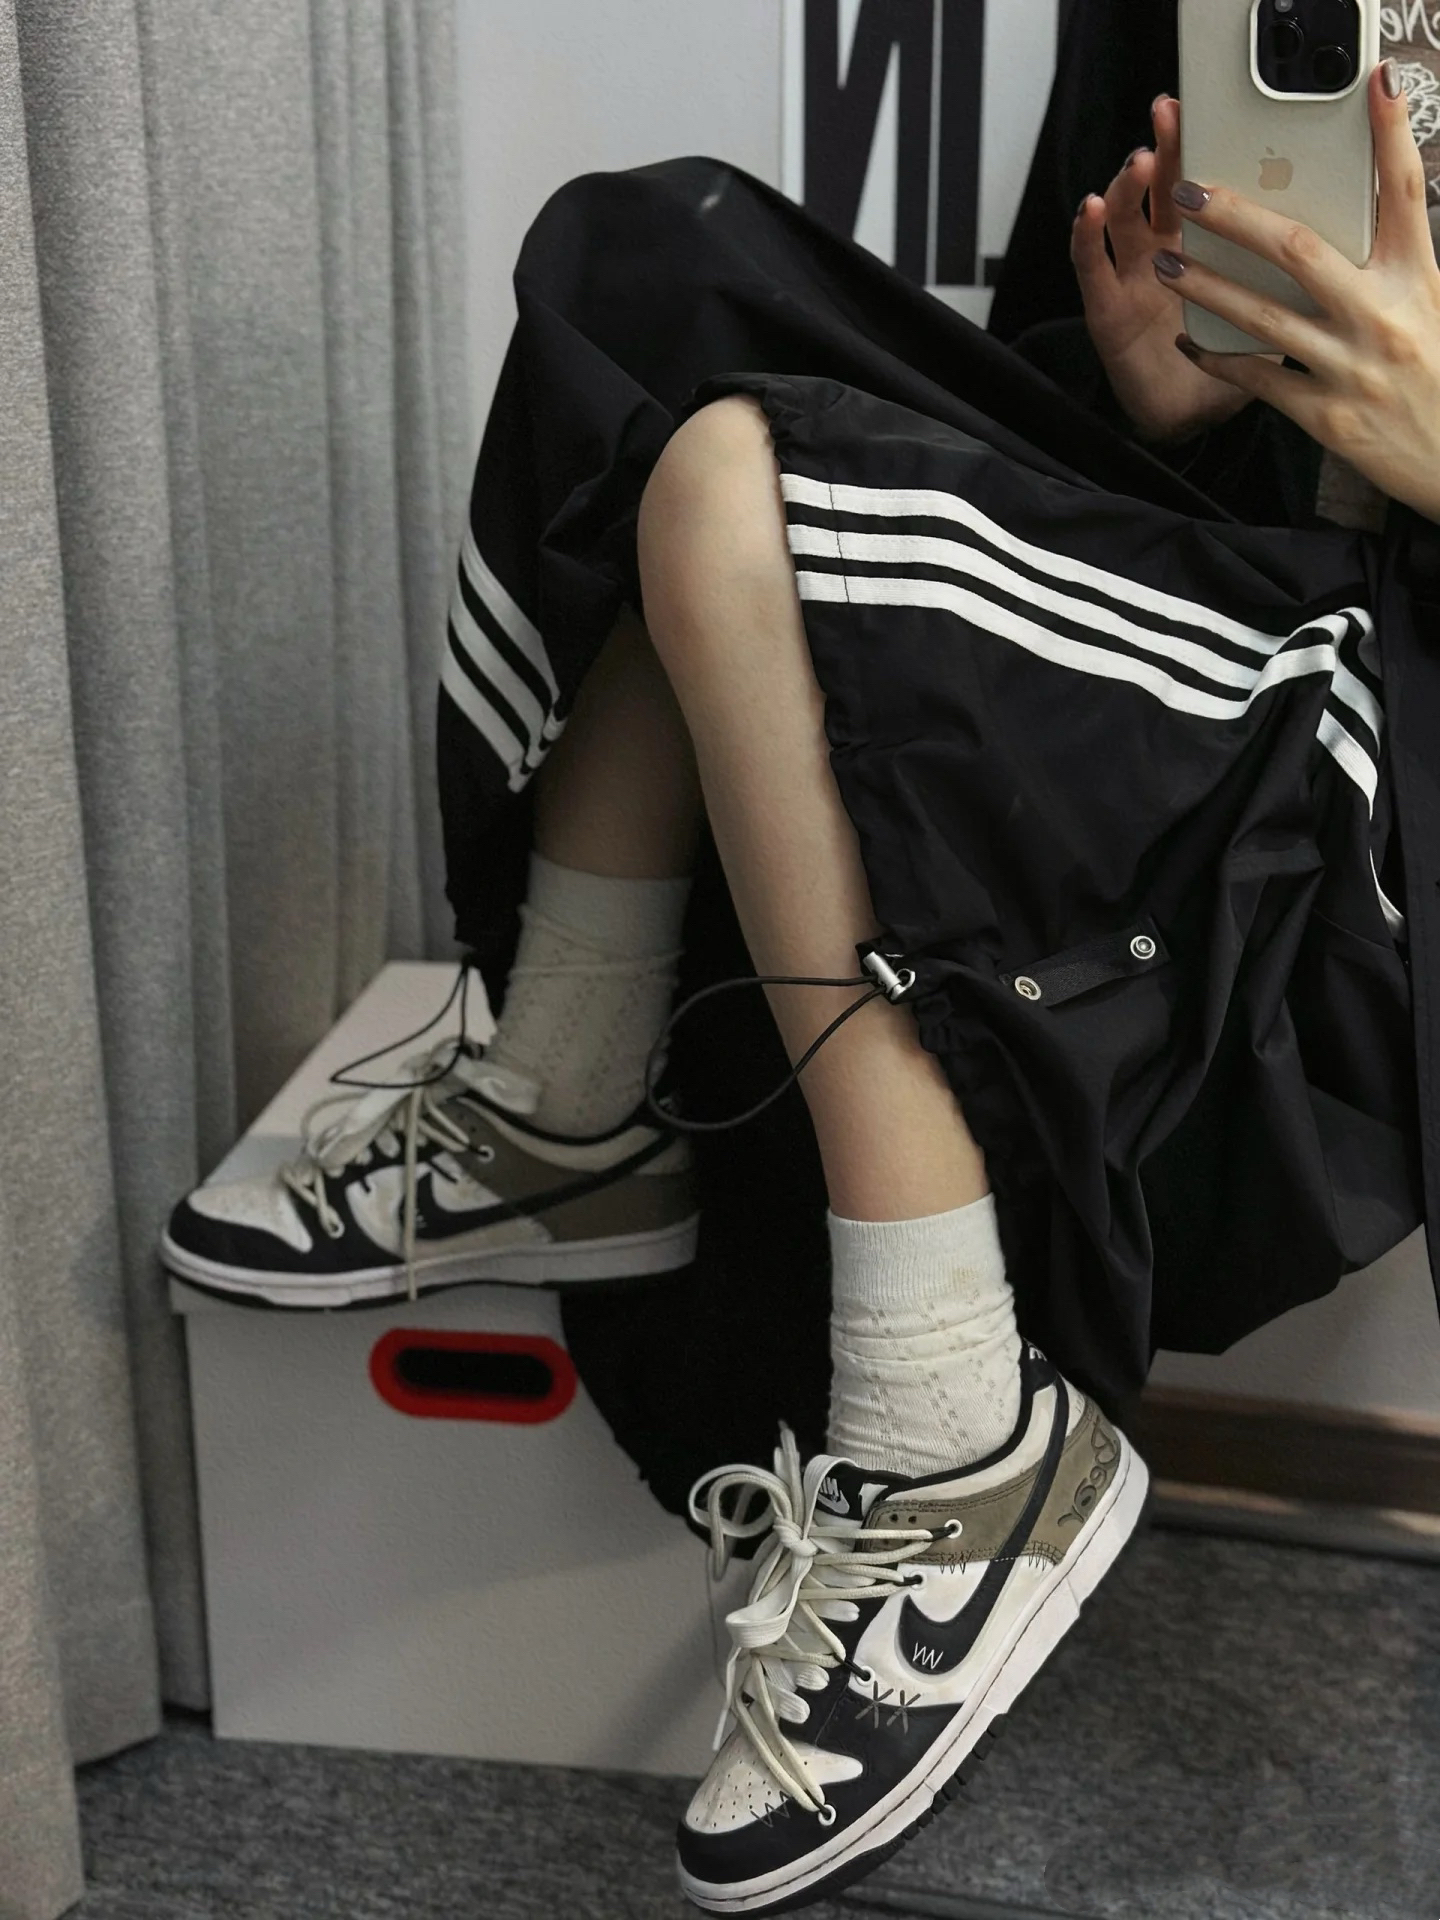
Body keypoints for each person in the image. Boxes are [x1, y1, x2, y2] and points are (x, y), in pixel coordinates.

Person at [163, 21, 1440, 1914]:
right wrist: (1156, 391)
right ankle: (568, 1099)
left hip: (1386, 721)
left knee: (736, 490)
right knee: (651, 272)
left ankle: (955, 1436)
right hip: (1232, 567)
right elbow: (1073, 377)